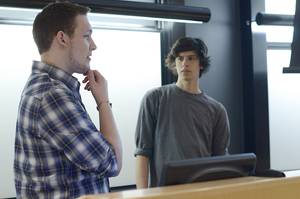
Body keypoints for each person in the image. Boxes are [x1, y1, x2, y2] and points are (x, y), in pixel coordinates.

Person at [14, 2, 122, 198]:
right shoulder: (53, 95)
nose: (94, 45)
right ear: (62, 38)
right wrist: (103, 101)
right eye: (86, 36)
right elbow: (111, 163)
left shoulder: (47, 87)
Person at [134, 37, 230, 188]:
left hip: (201, 192)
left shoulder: (216, 110)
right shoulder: (155, 98)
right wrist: (142, 196)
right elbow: (142, 153)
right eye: (180, 58)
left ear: (201, 64)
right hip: (163, 193)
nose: (185, 63)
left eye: (191, 58)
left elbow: (221, 161)